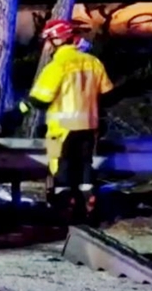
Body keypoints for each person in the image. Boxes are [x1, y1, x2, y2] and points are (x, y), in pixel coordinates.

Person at [20, 19, 114, 224]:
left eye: (48, 41)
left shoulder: (57, 66)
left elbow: (39, 100)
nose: (46, 46)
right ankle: (90, 204)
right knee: (85, 167)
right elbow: (108, 95)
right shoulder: (93, 62)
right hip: (89, 127)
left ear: (57, 40)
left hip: (62, 130)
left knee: (61, 170)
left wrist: (19, 111)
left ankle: (67, 210)